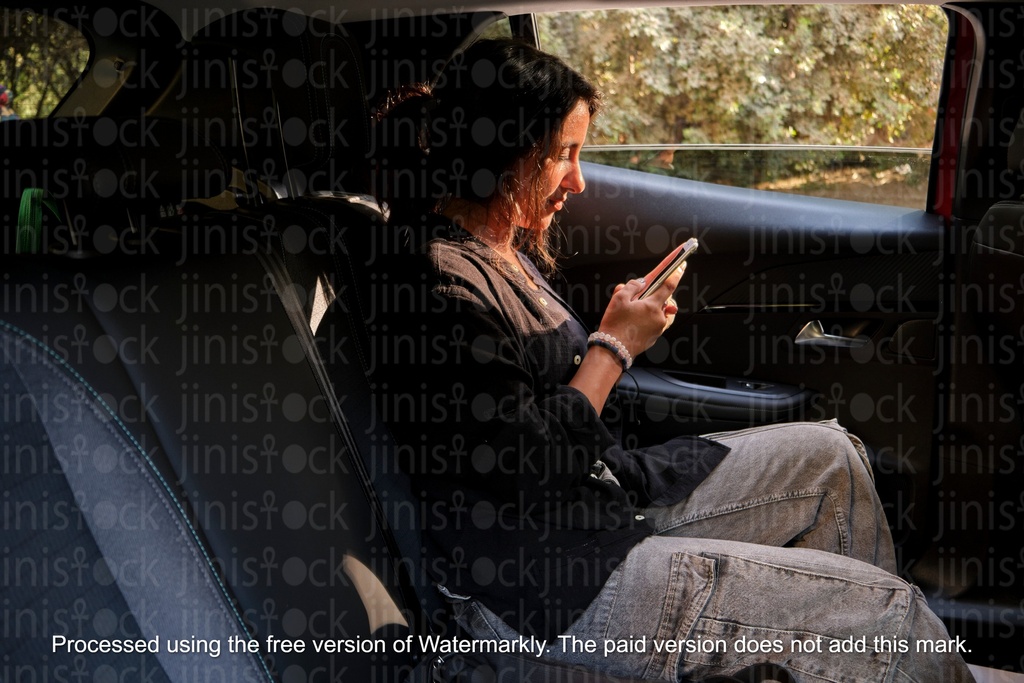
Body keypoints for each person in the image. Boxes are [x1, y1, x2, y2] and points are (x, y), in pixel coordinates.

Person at [367, 38, 973, 682]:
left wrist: (613, 333)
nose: (577, 179)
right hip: (546, 584)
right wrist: (614, 346)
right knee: (895, 620)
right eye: (563, 156)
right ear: (504, 156)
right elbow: (523, 468)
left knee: (832, 459)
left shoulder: (500, 249)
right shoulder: (441, 288)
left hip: (599, 500)